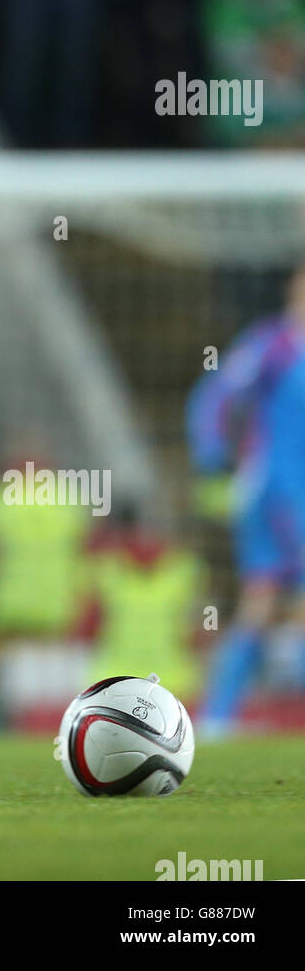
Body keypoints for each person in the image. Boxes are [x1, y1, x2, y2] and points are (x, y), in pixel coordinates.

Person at [186, 266, 305, 734]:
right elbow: (215, 394)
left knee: (262, 601)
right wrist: (212, 452)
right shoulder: (272, 344)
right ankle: (221, 712)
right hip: (276, 489)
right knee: (268, 598)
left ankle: (219, 714)